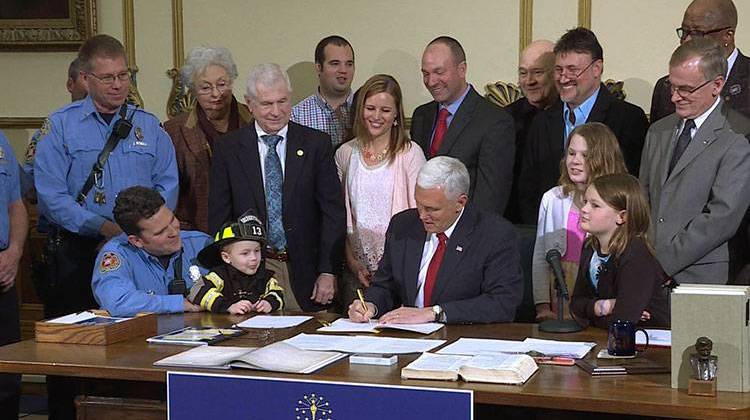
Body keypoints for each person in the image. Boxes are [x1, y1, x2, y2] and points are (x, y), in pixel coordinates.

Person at [33, 34, 179, 321]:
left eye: (123, 75)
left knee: (139, 333)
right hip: (78, 250)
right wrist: (102, 228)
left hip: (139, 249)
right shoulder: (61, 126)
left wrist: (147, 229)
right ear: (86, 79)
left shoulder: (148, 126)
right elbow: (51, 197)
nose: (117, 84)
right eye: (107, 77)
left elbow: (167, 184)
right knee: (73, 342)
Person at [209, 63, 346, 312]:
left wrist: (328, 271)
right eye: (266, 104)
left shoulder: (316, 144)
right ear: (249, 103)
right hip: (250, 276)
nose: (276, 111)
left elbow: (333, 214)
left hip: (308, 274)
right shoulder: (228, 150)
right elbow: (220, 218)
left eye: (282, 101)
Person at [348, 156, 523, 325]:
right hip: (407, 337)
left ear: (460, 203)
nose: (422, 216)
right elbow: (385, 286)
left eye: (432, 209)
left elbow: (502, 303)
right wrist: (371, 305)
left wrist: (435, 313)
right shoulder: (402, 225)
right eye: (419, 204)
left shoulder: (494, 234)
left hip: (463, 337)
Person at [640, 38, 750, 285]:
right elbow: (643, 198)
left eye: (686, 89)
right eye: (672, 86)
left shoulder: (737, 136)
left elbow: (722, 217)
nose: (675, 97)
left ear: (717, 85)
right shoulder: (658, 131)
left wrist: (665, 262)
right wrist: (643, 260)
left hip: (700, 277)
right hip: (647, 273)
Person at [518, 27, 649, 224]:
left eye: (573, 70)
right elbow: (528, 190)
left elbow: (632, 189)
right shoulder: (542, 122)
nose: (563, 78)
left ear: (596, 69)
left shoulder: (628, 119)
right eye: (559, 70)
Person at [335, 74, 426, 311]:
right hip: (356, 271)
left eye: (385, 110)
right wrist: (353, 263)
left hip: (399, 269)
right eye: (370, 108)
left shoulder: (410, 153)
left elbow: (421, 214)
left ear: (396, 114)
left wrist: (388, 268)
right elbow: (340, 216)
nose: (376, 116)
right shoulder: (345, 153)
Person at [532, 122, 627, 321]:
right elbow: (541, 257)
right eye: (571, 153)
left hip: (599, 307)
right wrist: (542, 307)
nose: (575, 161)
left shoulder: (619, 201)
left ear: (603, 159)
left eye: (585, 156)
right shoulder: (552, 198)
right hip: (560, 301)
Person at [410, 36, 515, 215]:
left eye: (439, 72)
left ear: (462, 69)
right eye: (425, 74)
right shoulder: (421, 116)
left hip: (467, 233)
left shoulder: (494, 121)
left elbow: (491, 198)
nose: (431, 81)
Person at [163, 46, 252, 233]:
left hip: (251, 230)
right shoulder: (174, 131)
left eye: (222, 84)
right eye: (205, 87)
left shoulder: (254, 120)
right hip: (198, 232)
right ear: (193, 90)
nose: (215, 94)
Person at [570, 174, 670, 329]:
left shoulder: (636, 254)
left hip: (644, 341)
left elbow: (624, 319)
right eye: (585, 202)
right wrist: (604, 307)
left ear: (621, 216)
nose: (584, 209)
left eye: (595, 205)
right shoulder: (590, 247)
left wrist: (594, 313)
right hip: (604, 337)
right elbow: (576, 305)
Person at [92, 186, 209, 317]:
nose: (174, 232)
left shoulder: (200, 243)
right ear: (136, 241)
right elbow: (118, 302)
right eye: (161, 232)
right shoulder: (117, 254)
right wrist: (179, 304)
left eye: (172, 220)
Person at [651, 0, 749, 122]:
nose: (686, 40)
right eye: (684, 32)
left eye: (697, 33)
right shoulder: (665, 88)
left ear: (727, 36)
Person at [22, 56, 88, 203]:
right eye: (87, 79)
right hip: (60, 221)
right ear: (70, 85)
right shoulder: (53, 129)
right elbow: (29, 189)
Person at [505, 39, 557, 223]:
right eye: (523, 73)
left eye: (537, 72)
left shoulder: (570, 117)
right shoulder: (505, 120)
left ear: (556, 73)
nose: (529, 81)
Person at [190, 212, 283, 314]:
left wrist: (269, 303)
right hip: (223, 326)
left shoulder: (266, 277)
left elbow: (278, 293)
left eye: (257, 251)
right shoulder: (219, 275)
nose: (254, 258)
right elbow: (196, 290)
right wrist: (228, 306)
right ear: (226, 257)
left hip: (256, 327)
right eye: (245, 253)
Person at [0, 131, 28, 420]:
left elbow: (16, 205)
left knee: (7, 373)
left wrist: (14, 252)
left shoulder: (0, 141)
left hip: (3, 268)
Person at [291, 35, 355, 147]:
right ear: (318, 67)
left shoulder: (368, 112)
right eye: (335, 64)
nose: (343, 70)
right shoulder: (297, 116)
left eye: (349, 64)